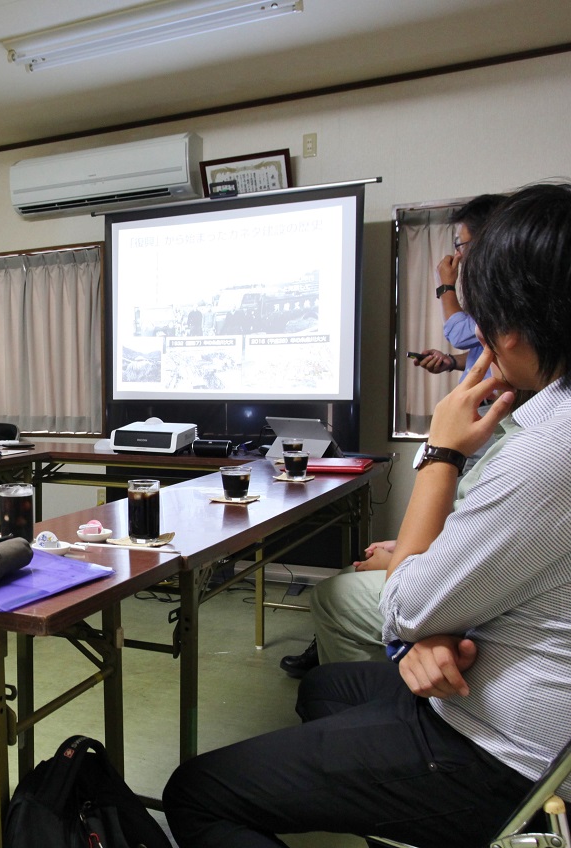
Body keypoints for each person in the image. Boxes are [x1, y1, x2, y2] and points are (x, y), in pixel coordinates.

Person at [164, 183, 571, 848]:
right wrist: (428, 625)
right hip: (498, 670)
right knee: (325, 691)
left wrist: (439, 451)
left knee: (197, 793)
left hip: (510, 752)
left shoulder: (551, 449)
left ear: (515, 325)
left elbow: (405, 605)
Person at [280, 407, 522, 677]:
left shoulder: (525, 448)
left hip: (468, 593)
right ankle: (338, 654)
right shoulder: (511, 433)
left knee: (332, 595)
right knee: (351, 572)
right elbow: (469, 530)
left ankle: (368, 693)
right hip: (458, 564)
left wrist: (401, 559)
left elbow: (410, 602)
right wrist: (403, 545)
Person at [411, 193, 507, 380]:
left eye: (459, 244)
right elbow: (486, 348)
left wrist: (445, 286)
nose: (458, 254)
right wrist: (451, 361)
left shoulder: (506, 290)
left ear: (485, 241)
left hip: (494, 404)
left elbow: (460, 336)